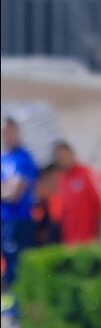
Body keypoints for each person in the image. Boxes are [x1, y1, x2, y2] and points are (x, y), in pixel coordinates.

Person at [1, 118, 38, 294]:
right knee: (7, 267)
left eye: (9, 131)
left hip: (20, 221)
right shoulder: (3, 159)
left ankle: (20, 311)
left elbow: (15, 193)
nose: (6, 136)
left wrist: (8, 189)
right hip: (4, 221)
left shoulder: (24, 158)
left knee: (19, 266)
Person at [52, 141, 101, 244]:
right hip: (70, 240)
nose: (62, 160)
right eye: (59, 158)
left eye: (64, 156)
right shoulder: (61, 180)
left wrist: (99, 234)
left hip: (89, 238)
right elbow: (58, 212)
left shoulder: (86, 174)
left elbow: (99, 205)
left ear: (71, 154)